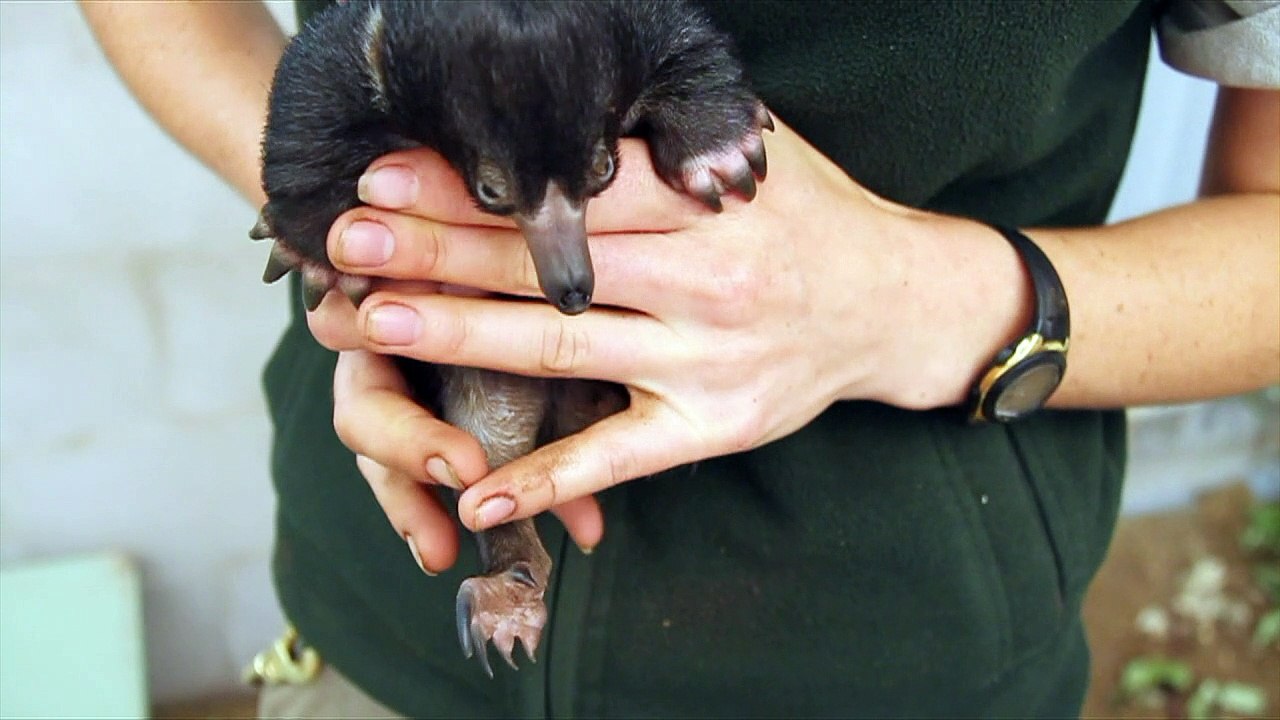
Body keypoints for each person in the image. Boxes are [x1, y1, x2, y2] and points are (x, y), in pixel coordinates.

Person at [82, 1, 1279, 716]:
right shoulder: (382, 55)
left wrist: (918, 306)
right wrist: (363, 229)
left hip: (893, 649)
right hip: (389, 619)